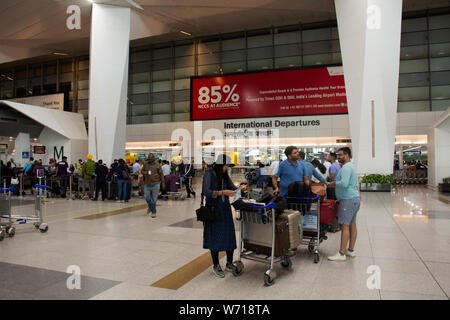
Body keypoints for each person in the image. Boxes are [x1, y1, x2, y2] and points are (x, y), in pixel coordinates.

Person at [202, 154, 238, 278]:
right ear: (220, 165)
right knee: (215, 237)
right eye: (226, 165)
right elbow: (206, 191)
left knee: (229, 235)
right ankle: (216, 265)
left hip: (226, 209)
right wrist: (222, 192)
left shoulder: (224, 175)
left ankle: (229, 262)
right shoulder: (209, 174)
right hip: (214, 210)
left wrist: (240, 189)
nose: (227, 168)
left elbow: (232, 187)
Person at [327, 147, 360, 261]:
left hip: (348, 200)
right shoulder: (351, 166)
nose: (338, 157)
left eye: (340, 155)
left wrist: (334, 183)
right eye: (338, 155)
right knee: (352, 224)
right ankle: (350, 250)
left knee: (344, 226)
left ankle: (341, 253)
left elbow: (344, 184)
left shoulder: (346, 167)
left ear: (346, 155)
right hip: (354, 198)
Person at [140, 153, 165, 217]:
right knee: (147, 197)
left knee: (154, 199)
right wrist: (145, 172)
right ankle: (150, 206)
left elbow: (161, 174)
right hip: (147, 184)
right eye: (148, 158)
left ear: (153, 158)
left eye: (151, 158)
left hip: (155, 184)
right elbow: (142, 171)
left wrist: (163, 183)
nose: (149, 159)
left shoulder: (157, 164)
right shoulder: (145, 164)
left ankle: (153, 212)